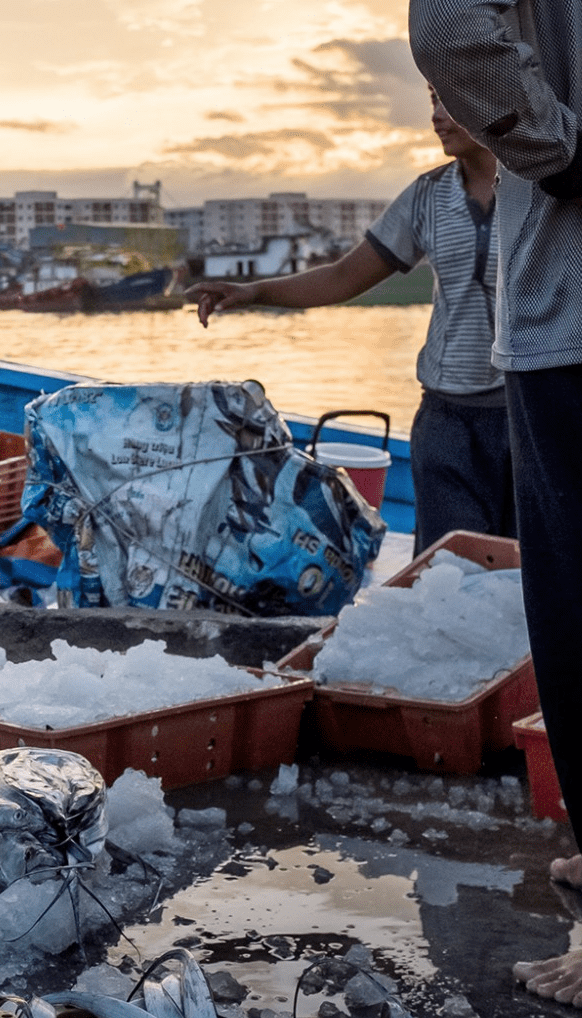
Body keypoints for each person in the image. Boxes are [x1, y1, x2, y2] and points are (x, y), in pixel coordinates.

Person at [410, 0, 582, 1006]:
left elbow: (449, 27)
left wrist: (563, 155)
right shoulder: (426, 199)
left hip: (570, 334)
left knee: (573, 626)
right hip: (476, 396)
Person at [185, 89, 509, 556]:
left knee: (534, 573)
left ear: (488, 98)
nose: (436, 116)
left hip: (528, 409)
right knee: (450, 572)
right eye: (431, 100)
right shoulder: (428, 195)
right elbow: (343, 276)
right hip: (447, 419)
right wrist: (253, 291)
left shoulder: (538, 190)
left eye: (449, 101)